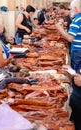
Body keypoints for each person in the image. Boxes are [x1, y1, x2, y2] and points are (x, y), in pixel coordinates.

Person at [56, 0, 81, 129]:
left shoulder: (77, 19)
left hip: (78, 51)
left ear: (75, 8)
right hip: (77, 52)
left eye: (71, 9)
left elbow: (70, 38)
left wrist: (60, 29)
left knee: (77, 85)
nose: (71, 10)